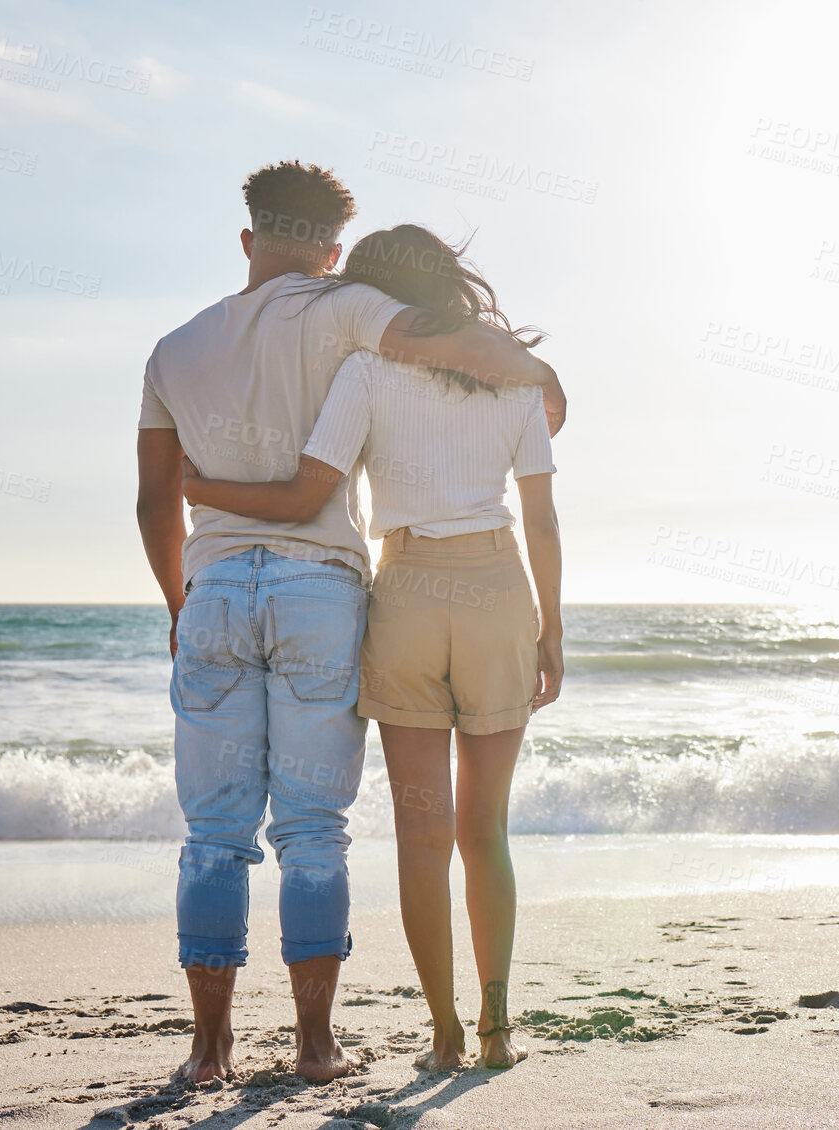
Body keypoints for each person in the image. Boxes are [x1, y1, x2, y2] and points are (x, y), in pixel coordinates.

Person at [135, 162, 564, 1083]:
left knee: (265, 834)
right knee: (394, 830)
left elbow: (223, 498)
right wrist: (538, 372)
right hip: (411, 589)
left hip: (304, 587)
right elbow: (516, 458)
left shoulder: (225, 354)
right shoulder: (401, 336)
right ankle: (400, 1038)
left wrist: (188, 555)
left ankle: (248, 1048)